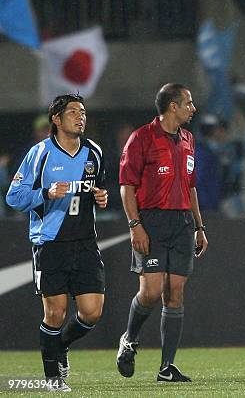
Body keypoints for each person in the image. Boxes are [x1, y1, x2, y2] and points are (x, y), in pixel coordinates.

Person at [6, 94, 108, 392]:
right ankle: (53, 378)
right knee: (55, 313)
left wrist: (100, 197)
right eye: (73, 112)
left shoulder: (94, 152)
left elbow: (97, 189)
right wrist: (45, 194)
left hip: (85, 241)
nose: (80, 117)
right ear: (56, 119)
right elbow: (14, 197)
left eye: (83, 112)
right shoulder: (41, 154)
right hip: (50, 242)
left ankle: (60, 345)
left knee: (92, 311)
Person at [116, 83, 208, 382]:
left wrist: (199, 226)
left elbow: (191, 186)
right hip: (151, 222)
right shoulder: (141, 138)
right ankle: (129, 339)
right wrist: (135, 225)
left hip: (181, 223)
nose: (192, 108)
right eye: (188, 103)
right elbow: (126, 186)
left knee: (175, 293)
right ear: (172, 106)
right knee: (151, 292)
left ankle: (166, 368)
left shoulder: (188, 140)